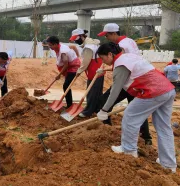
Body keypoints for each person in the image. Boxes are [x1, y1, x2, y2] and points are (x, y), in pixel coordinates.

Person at [96, 42, 177, 173]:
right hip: (167, 89)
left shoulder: (120, 65)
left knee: (130, 116)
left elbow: (115, 90)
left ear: (110, 54)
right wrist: (105, 70)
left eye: (103, 58)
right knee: (163, 127)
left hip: (152, 91)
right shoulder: (129, 57)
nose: (103, 61)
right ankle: (168, 164)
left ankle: (128, 150)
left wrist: (104, 110)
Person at [97, 23, 152, 145]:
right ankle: (146, 137)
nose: (106, 38)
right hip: (135, 79)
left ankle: (107, 130)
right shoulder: (130, 41)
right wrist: (106, 69)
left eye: (107, 35)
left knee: (104, 100)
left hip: (128, 80)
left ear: (113, 33)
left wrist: (104, 110)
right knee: (137, 108)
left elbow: (121, 65)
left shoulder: (120, 46)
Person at [69, 28, 104, 117]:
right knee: (97, 93)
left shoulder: (88, 47)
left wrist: (79, 71)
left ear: (81, 36)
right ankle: (97, 109)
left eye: (76, 39)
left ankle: (88, 111)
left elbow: (85, 62)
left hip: (95, 72)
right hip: (99, 71)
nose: (76, 42)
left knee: (91, 93)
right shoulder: (91, 43)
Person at [47, 36, 81, 108]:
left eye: (50, 45)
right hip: (70, 66)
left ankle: (69, 105)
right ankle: (69, 104)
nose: (49, 47)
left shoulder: (63, 52)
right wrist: (77, 56)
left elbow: (66, 65)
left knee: (66, 85)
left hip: (73, 67)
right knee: (66, 85)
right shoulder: (60, 46)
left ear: (55, 44)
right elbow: (73, 47)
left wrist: (59, 75)